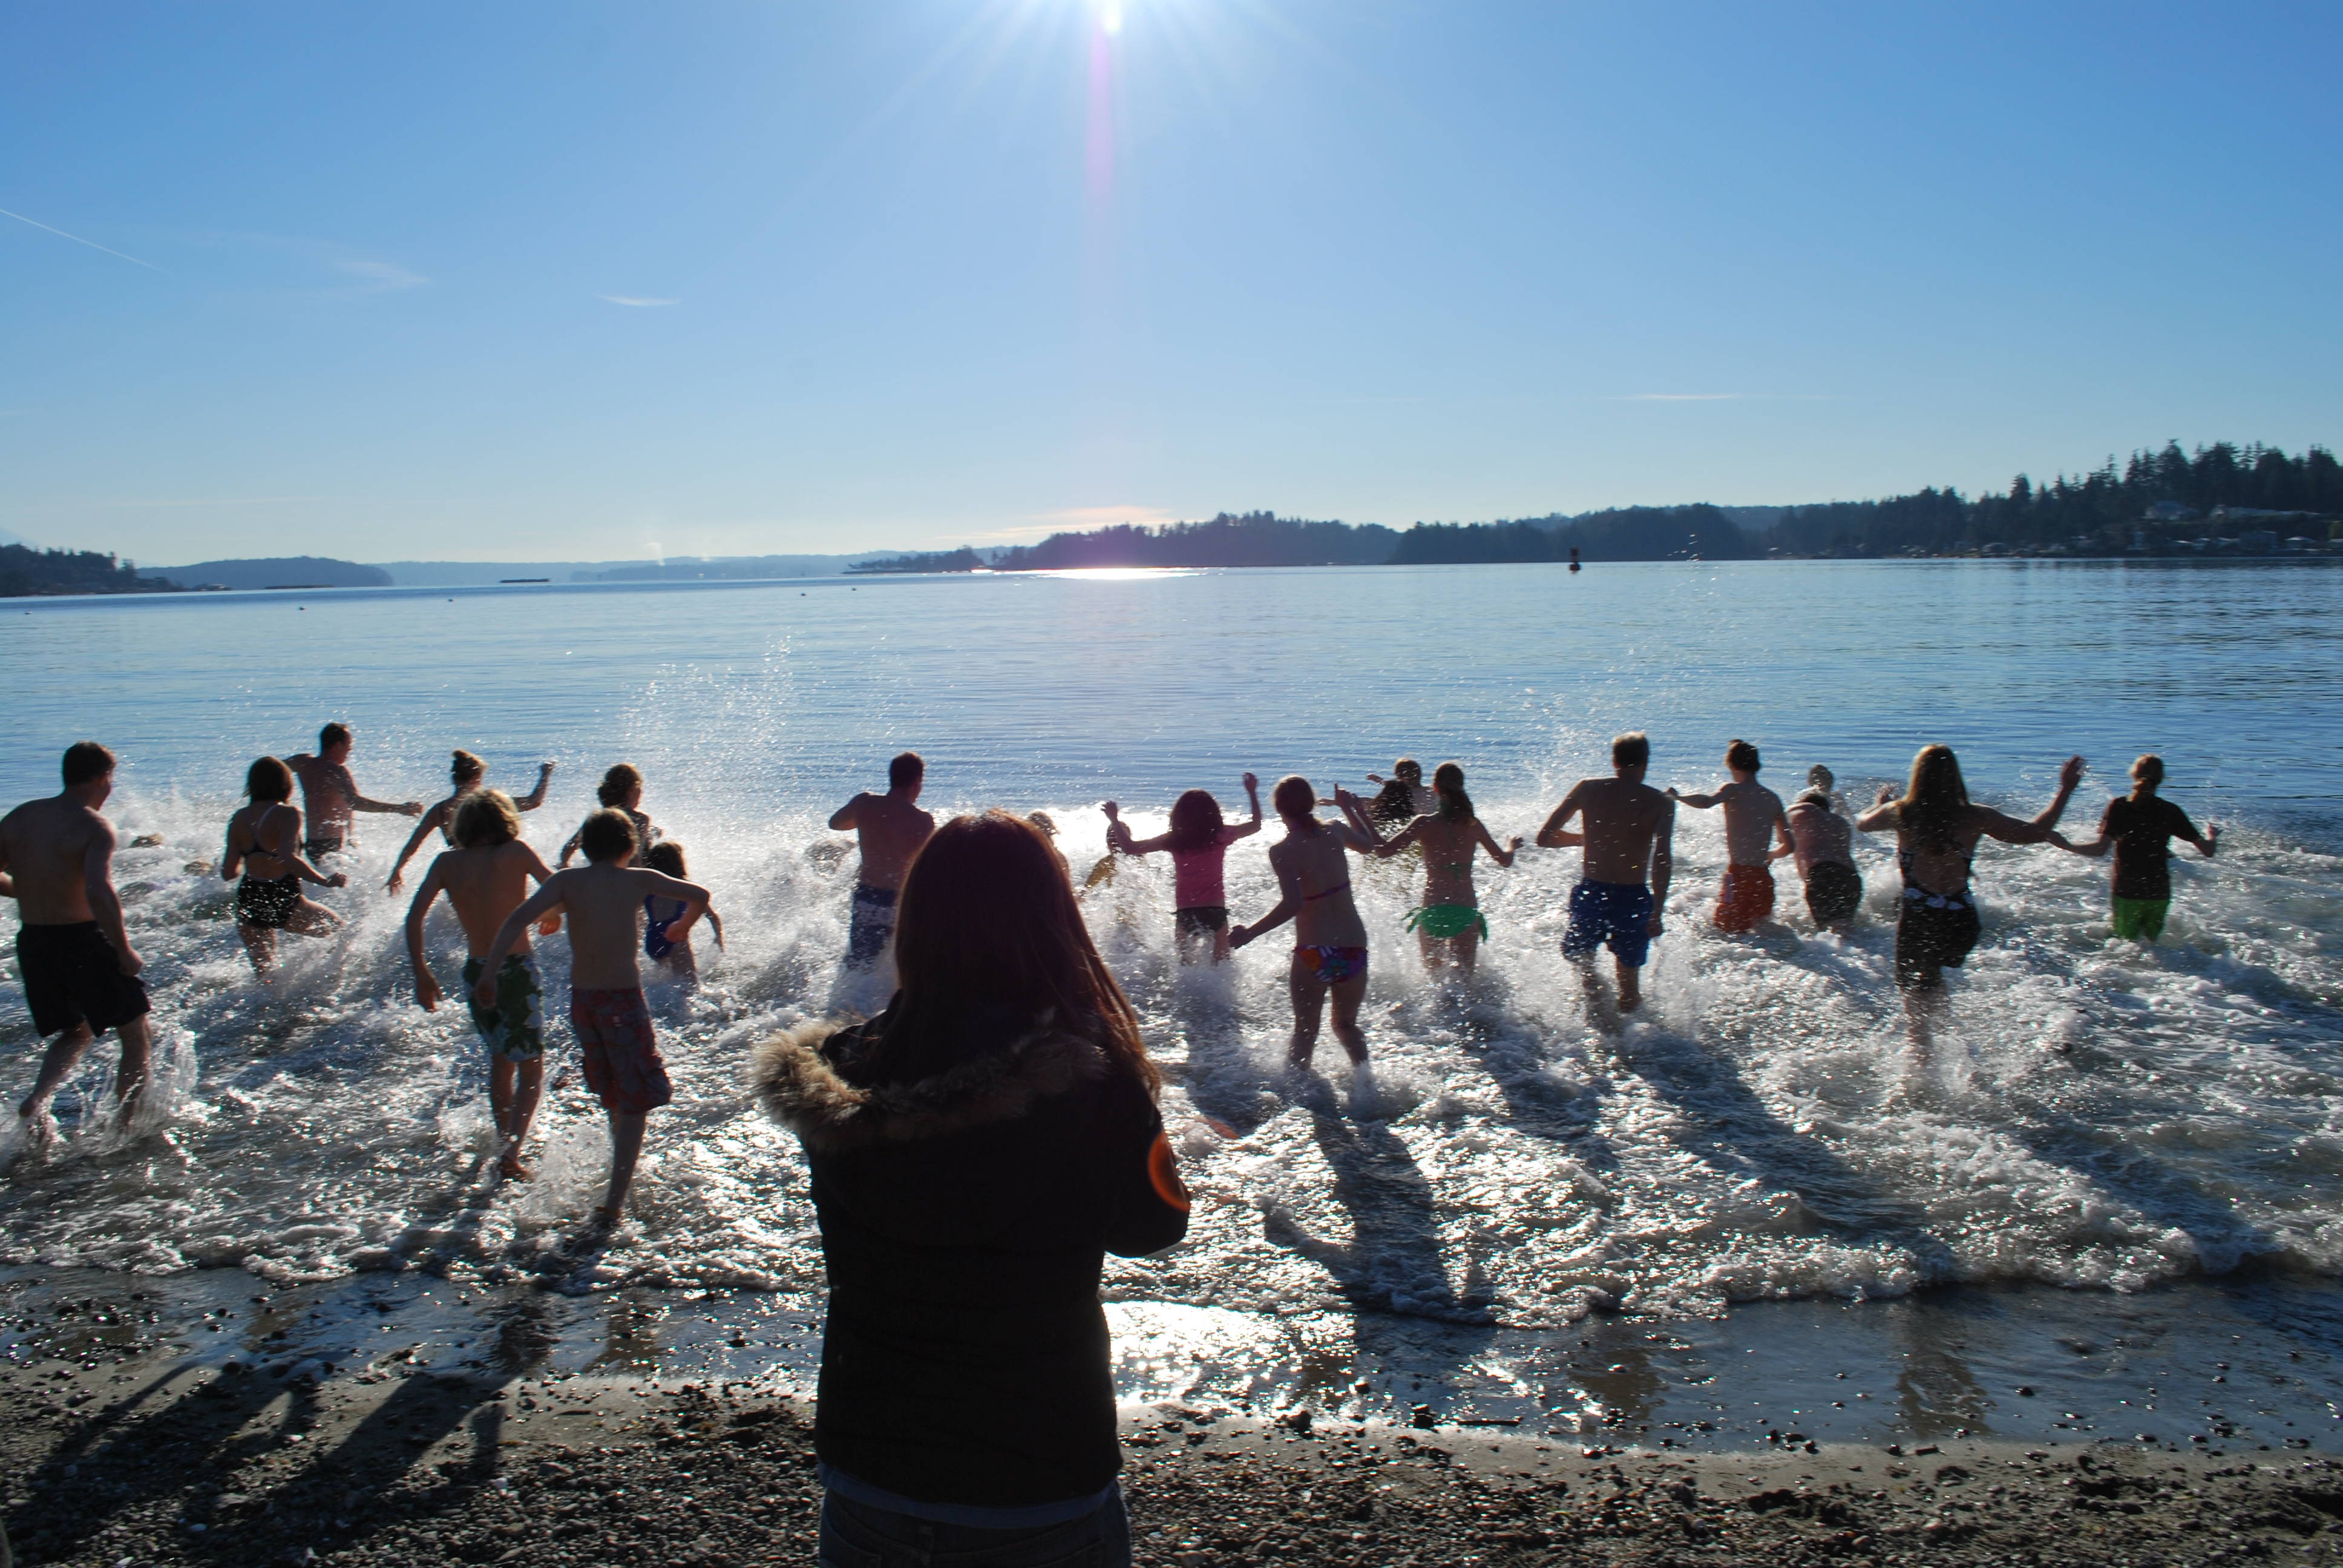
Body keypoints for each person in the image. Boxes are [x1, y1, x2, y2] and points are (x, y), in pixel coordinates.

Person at [749, 811, 1188, 1568]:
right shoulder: (1089, 1073)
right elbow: (1153, 1228)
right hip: (1040, 1468)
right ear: (1051, 917)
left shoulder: (841, 1074)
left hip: (871, 1466)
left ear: (917, 921)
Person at [475, 808, 708, 1226]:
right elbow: (700, 895)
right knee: (635, 1098)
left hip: (583, 1004)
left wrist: (490, 973)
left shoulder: (566, 881)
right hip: (623, 1001)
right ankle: (613, 1204)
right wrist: (681, 928)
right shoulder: (637, 879)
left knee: (612, 1094)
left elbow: (516, 919)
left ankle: (618, 1175)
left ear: (585, 845)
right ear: (629, 846)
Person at [1855, 748, 2085, 1047]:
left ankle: (1921, 1073)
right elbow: (2035, 832)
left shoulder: (1900, 812)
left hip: (1921, 919)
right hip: (1961, 921)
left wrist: (1877, 805)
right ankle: (1958, 1048)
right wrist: (2065, 790)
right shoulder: (1977, 816)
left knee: (1914, 1000)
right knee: (1931, 983)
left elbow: (1862, 822)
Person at [404, 789, 560, 1178]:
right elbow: (559, 890)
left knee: (501, 1062)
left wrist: (421, 972)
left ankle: (506, 1140)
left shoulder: (445, 862)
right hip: (517, 970)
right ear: (505, 820)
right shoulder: (517, 852)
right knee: (532, 1066)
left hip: (476, 971)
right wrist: (554, 914)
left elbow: (413, 919)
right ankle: (511, 1154)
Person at [1, 743, 154, 1134]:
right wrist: (124, 950)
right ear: (102, 778)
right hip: (83, 941)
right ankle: (125, 1129)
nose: (111, 789)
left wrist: (29, 890)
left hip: (34, 942)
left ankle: (37, 1099)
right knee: (136, 1034)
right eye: (111, 781)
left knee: (76, 1030)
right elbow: (99, 891)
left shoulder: (20, 817)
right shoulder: (94, 825)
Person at [1229, 777, 1380, 1077]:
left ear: (1279, 809)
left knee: (1305, 1031)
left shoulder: (1283, 850)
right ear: (1312, 803)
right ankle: (1367, 1089)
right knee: (1346, 1026)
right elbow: (1369, 846)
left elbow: (1293, 904)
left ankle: (1298, 1102)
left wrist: (1250, 934)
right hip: (1353, 949)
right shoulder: (1335, 831)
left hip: (1315, 951)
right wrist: (1350, 809)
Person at [1536, 733, 1675, 1018]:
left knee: (1585, 971)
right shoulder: (1660, 802)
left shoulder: (1588, 789)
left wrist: (1590, 838)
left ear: (1614, 761)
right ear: (1646, 762)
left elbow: (1546, 838)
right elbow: (1662, 859)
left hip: (1592, 893)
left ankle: (1599, 1030)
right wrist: (1657, 911)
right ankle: (1630, 1045)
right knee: (1630, 988)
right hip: (1633, 897)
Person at [1351, 762, 1520, 975]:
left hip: (1433, 910)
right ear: (1462, 787)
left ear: (1436, 788)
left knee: (1434, 983)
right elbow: (1504, 861)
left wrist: (1361, 814)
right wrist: (1512, 847)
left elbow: (1384, 851)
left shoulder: (1424, 823)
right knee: (1465, 983)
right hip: (1465, 910)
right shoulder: (1472, 824)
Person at [2054, 754, 2217, 942]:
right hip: (2159, 893)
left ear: (2134, 774)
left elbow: (2100, 849)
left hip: (2128, 891)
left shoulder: (2119, 807)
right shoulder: (2170, 811)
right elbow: (2208, 851)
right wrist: (2211, 835)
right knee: (2153, 946)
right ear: (2162, 779)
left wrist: (2066, 845)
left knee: (2125, 945)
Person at [1102, 773, 1263, 964]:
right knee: (1222, 965)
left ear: (1178, 816)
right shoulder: (1221, 835)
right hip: (1216, 911)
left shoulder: (1173, 840)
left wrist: (1114, 820)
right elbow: (1255, 826)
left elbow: (1130, 848)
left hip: (1186, 913)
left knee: (1185, 966)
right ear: (1214, 814)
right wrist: (1252, 792)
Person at [221, 757, 350, 978]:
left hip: (249, 896)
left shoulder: (238, 818)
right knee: (341, 933)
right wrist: (325, 881)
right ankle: (327, 989)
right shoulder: (289, 814)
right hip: (282, 894)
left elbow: (228, 873)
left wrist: (255, 858)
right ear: (284, 783)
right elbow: (287, 857)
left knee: (265, 977)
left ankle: (267, 1010)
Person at [1668, 739, 1795, 935]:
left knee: (1726, 933)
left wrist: (1679, 798)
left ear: (1732, 765)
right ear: (1756, 766)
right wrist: (1770, 855)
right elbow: (1790, 846)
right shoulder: (1773, 798)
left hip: (1739, 876)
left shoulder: (1733, 791)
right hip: (1764, 879)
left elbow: (1706, 802)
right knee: (1762, 932)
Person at [385, 750, 555, 890]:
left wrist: (397, 869)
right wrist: (545, 774)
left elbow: (413, 844)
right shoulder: (492, 803)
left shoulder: (438, 811)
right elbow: (534, 801)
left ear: (454, 778)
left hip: (461, 875)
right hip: (494, 871)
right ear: (478, 777)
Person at [828, 753, 937, 972]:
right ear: (917, 781)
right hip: (899, 902)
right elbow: (931, 868)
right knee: (899, 967)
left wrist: (865, 821)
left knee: (859, 965)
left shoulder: (864, 804)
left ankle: (848, 1002)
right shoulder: (921, 820)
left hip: (866, 897)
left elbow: (836, 824)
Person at [286, 722, 422, 860]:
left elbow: (270, 769)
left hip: (312, 845)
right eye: (348, 746)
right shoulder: (336, 771)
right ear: (337, 746)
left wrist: (281, 803)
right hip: (333, 846)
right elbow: (355, 802)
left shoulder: (302, 762)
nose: (350, 751)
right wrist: (400, 809)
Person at [1786, 770, 1864, 933]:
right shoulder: (1841, 823)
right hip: (1852, 879)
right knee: (1845, 933)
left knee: (1832, 935)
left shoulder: (1805, 810)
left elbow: (1776, 814)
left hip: (1823, 875)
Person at [642, 841, 723, 981]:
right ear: (678, 862)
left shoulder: (646, 887)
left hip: (653, 939)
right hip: (675, 939)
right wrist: (719, 938)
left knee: (666, 982)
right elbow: (712, 917)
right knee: (690, 987)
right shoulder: (685, 888)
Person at [559, 764, 655, 867]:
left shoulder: (599, 818)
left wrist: (565, 867)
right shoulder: (640, 819)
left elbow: (567, 851)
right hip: (626, 878)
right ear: (631, 790)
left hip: (599, 874)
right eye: (640, 789)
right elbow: (634, 860)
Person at [1362, 760, 1436, 831]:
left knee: (1368, 802)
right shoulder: (1432, 790)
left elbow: (1395, 787)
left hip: (1404, 826)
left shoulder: (1403, 793)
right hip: (1429, 827)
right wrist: (1382, 781)